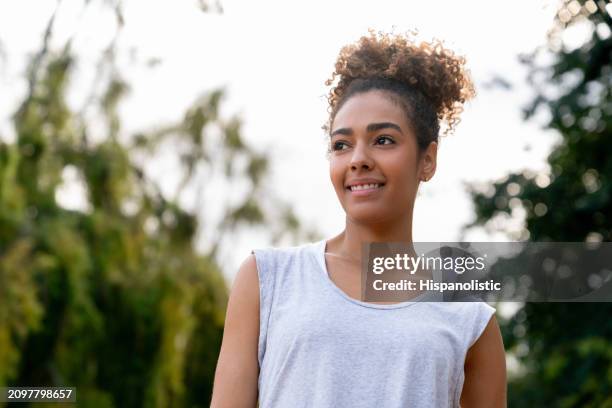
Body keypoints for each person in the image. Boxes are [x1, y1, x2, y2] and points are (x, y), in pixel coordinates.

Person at [211, 29, 507, 408]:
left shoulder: (470, 318)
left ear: (427, 160)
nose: (358, 159)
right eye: (341, 145)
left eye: (383, 140)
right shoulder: (266, 278)